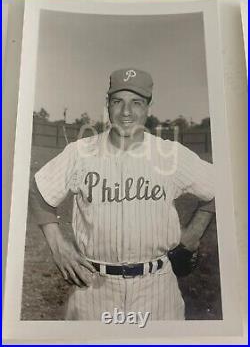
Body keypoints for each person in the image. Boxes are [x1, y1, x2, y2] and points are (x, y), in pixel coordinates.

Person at [30, 68, 215, 321]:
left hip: (157, 287)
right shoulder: (80, 153)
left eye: (136, 102)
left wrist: (193, 235)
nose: (126, 112)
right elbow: (39, 190)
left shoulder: (170, 154)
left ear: (148, 106)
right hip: (93, 288)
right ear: (107, 104)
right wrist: (57, 246)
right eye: (118, 101)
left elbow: (220, 186)